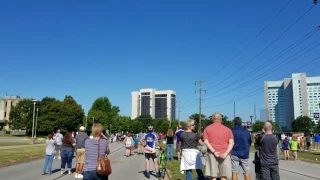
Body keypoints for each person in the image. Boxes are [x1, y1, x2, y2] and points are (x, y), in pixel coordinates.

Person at [203, 113, 234, 180]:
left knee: (213, 176)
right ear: (221, 119)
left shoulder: (207, 129)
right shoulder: (228, 129)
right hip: (225, 153)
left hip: (212, 153)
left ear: (212, 119)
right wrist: (226, 153)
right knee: (223, 176)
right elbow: (231, 143)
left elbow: (206, 141)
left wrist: (214, 152)